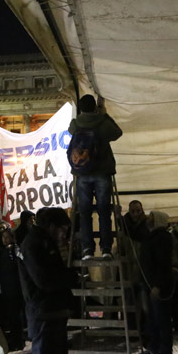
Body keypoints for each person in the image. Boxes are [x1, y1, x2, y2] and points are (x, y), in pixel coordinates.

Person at [68, 94, 123, 260]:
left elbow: (71, 132)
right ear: (94, 107)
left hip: (82, 173)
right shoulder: (102, 123)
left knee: (84, 212)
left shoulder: (75, 124)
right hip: (102, 172)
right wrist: (103, 114)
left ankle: (87, 250)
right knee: (104, 211)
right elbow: (117, 132)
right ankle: (106, 248)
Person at [18, 207, 75, 354]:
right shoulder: (34, 244)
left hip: (52, 310)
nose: (64, 235)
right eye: (63, 230)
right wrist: (71, 277)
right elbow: (44, 279)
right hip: (44, 311)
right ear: (52, 227)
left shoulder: (45, 242)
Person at [140, 211, 176, 354]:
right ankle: (156, 348)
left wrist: (158, 286)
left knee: (162, 319)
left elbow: (163, 264)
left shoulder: (161, 238)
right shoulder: (154, 236)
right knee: (155, 318)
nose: (148, 219)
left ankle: (165, 352)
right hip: (152, 285)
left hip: (157, 286)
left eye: (151, 217)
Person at [0, 227, 24, 350]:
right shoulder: (4, 250)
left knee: (15, 315)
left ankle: (17, 341)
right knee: (12, 314)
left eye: (8, 237)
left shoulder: (14, 250)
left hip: (14, 287)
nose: (5, 239)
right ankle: (16, 339)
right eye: (3, 237)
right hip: (8, 286)